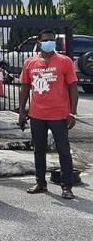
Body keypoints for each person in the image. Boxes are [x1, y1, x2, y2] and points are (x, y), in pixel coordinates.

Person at [19, 29, 79, 200]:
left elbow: (73, 87)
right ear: (39, 42)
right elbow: (24, 87)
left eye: (52, 40)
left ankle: (67, 186)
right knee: (39, 149)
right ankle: (40, 182)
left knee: (64, 151)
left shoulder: (64, 61)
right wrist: (22, 111)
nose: (49, 42)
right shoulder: (30, 63)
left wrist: (72, 113)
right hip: (37, 114)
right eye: (46, 40)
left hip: (59, 114)